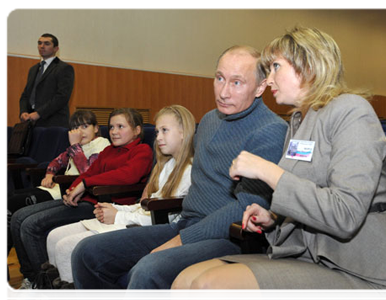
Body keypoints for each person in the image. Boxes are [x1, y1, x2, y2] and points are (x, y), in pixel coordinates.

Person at [170, 27, 386, 300]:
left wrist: (267, 170)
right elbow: (304, 192)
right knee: (184, 282)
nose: (269, 78)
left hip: (359, 267)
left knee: (209, 287)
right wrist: (273, 218)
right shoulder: (298, 120)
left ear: (307, 67)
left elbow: (345, 213)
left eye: (275, 67)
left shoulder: (352, 111)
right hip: (306, 255)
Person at [71, 45, 288, 300]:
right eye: (219, 79)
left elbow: (247, 207)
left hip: (231, 236)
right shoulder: (208, 120)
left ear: (261, 87)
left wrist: (183, 240)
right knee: (86, 253)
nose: (224, 91)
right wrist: (180, 233)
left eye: (237, 82)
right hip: (186, 224)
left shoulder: (270, 130)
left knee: (148, 270)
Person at [45, 105, 195, 287]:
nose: (158, 137)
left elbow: (162, 216)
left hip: (150, 228)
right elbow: (144, 205)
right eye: (157, 131)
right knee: (54, 236)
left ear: (183, 133)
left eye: (164, 130)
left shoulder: (189, 171)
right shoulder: (166, 165)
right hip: (134, 216)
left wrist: (118, 215)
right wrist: (115, 209)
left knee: (67, 247)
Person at [11, 108, 153, 300]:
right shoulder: (108, 150)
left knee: (31, 225)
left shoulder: (142, 150)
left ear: (137, 130)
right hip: (87, 199)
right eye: (111, 127)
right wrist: (74, 188)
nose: (114, 131)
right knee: (19, 217)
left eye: (121, 126)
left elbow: (127, 175)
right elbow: (89, 173)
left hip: (104, 205)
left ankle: (46, 290)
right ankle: (33, 279)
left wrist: (84, 184)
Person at [5, 110, 110, 282]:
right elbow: (57, 162)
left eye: (85, 126)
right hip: (54, 188)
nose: (81, 132)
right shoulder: (75, 147)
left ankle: (27, 275)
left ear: (96, 128)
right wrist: (49, 174)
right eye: (76, 127)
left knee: (11, 206)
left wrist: (75, 147)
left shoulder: (101, 145)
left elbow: (88, 173)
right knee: (8, 199)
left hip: (70, 194)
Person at [19, 33, 74, 128]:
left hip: (53, 123)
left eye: (47, 43)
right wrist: (23, 111)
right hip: (31, 123)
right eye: (39, 43)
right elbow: (26, 95)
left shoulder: (64, 68)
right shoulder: (33, 69)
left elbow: (62, 97)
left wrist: (39, 113)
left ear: (56, 49)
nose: (42, 46)